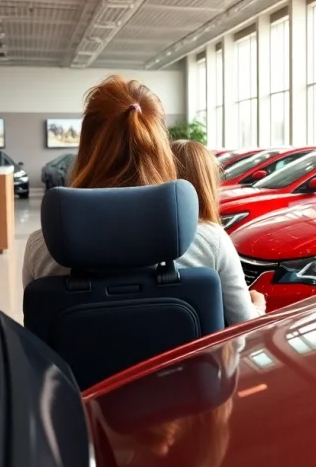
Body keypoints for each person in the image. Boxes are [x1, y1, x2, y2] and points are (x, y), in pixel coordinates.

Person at [22, 75, 263, 325]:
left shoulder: (42, 248)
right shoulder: (210, 242)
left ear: (85, 148)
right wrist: (257, 305)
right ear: (162, 148)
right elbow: (244, 332)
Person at [171, 140, 266, 316]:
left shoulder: (126, 235)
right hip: (200, 344)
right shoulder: (213, 238)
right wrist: (259, 306)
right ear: (207, 183)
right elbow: (244, 323)